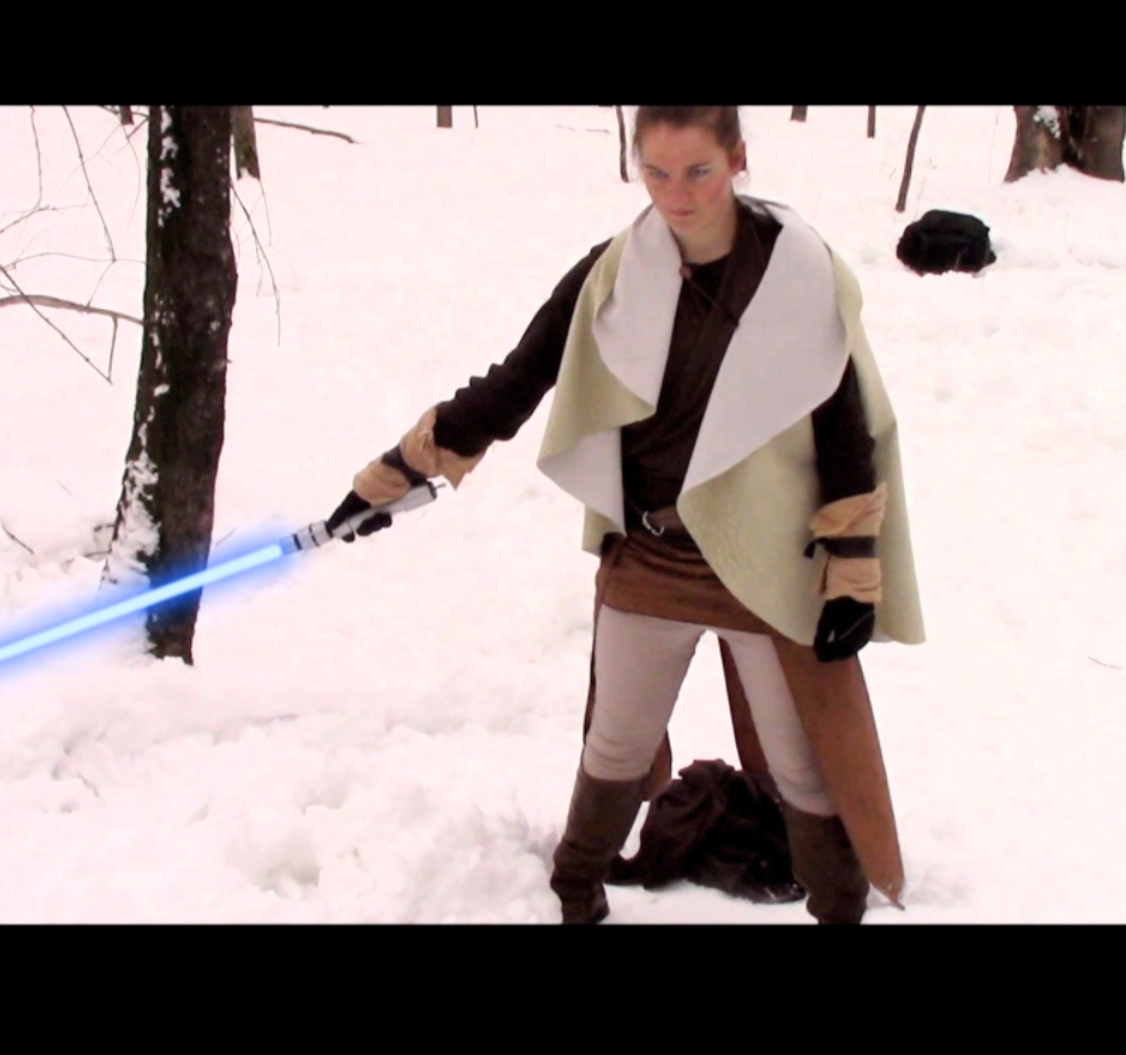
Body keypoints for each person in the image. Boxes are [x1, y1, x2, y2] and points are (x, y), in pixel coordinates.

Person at [325, 106, 925, 925]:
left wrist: (853, 572)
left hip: (765, 563)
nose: (678, 195)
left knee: (805, 769)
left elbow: (843, 428)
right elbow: (516, 381)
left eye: (699, 171)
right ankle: (575, 898)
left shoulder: (796, 275)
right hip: (653, 555)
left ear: (738, 159)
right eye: (658, 172)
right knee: (615, 746)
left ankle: (840, 912)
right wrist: (395, 474)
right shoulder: (614, 274)